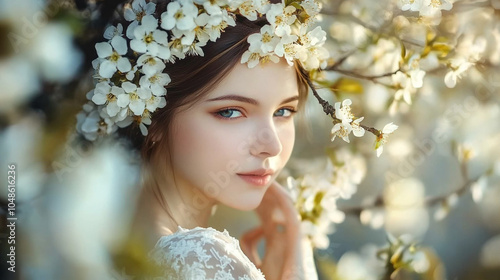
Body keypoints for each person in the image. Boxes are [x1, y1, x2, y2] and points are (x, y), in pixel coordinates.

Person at [76, 0, 327, 279]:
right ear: (151, 114)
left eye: (284, 111)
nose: (272, 146)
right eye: (230, 112)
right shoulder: (202, 256)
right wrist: (297, 264)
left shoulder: (88, 231)